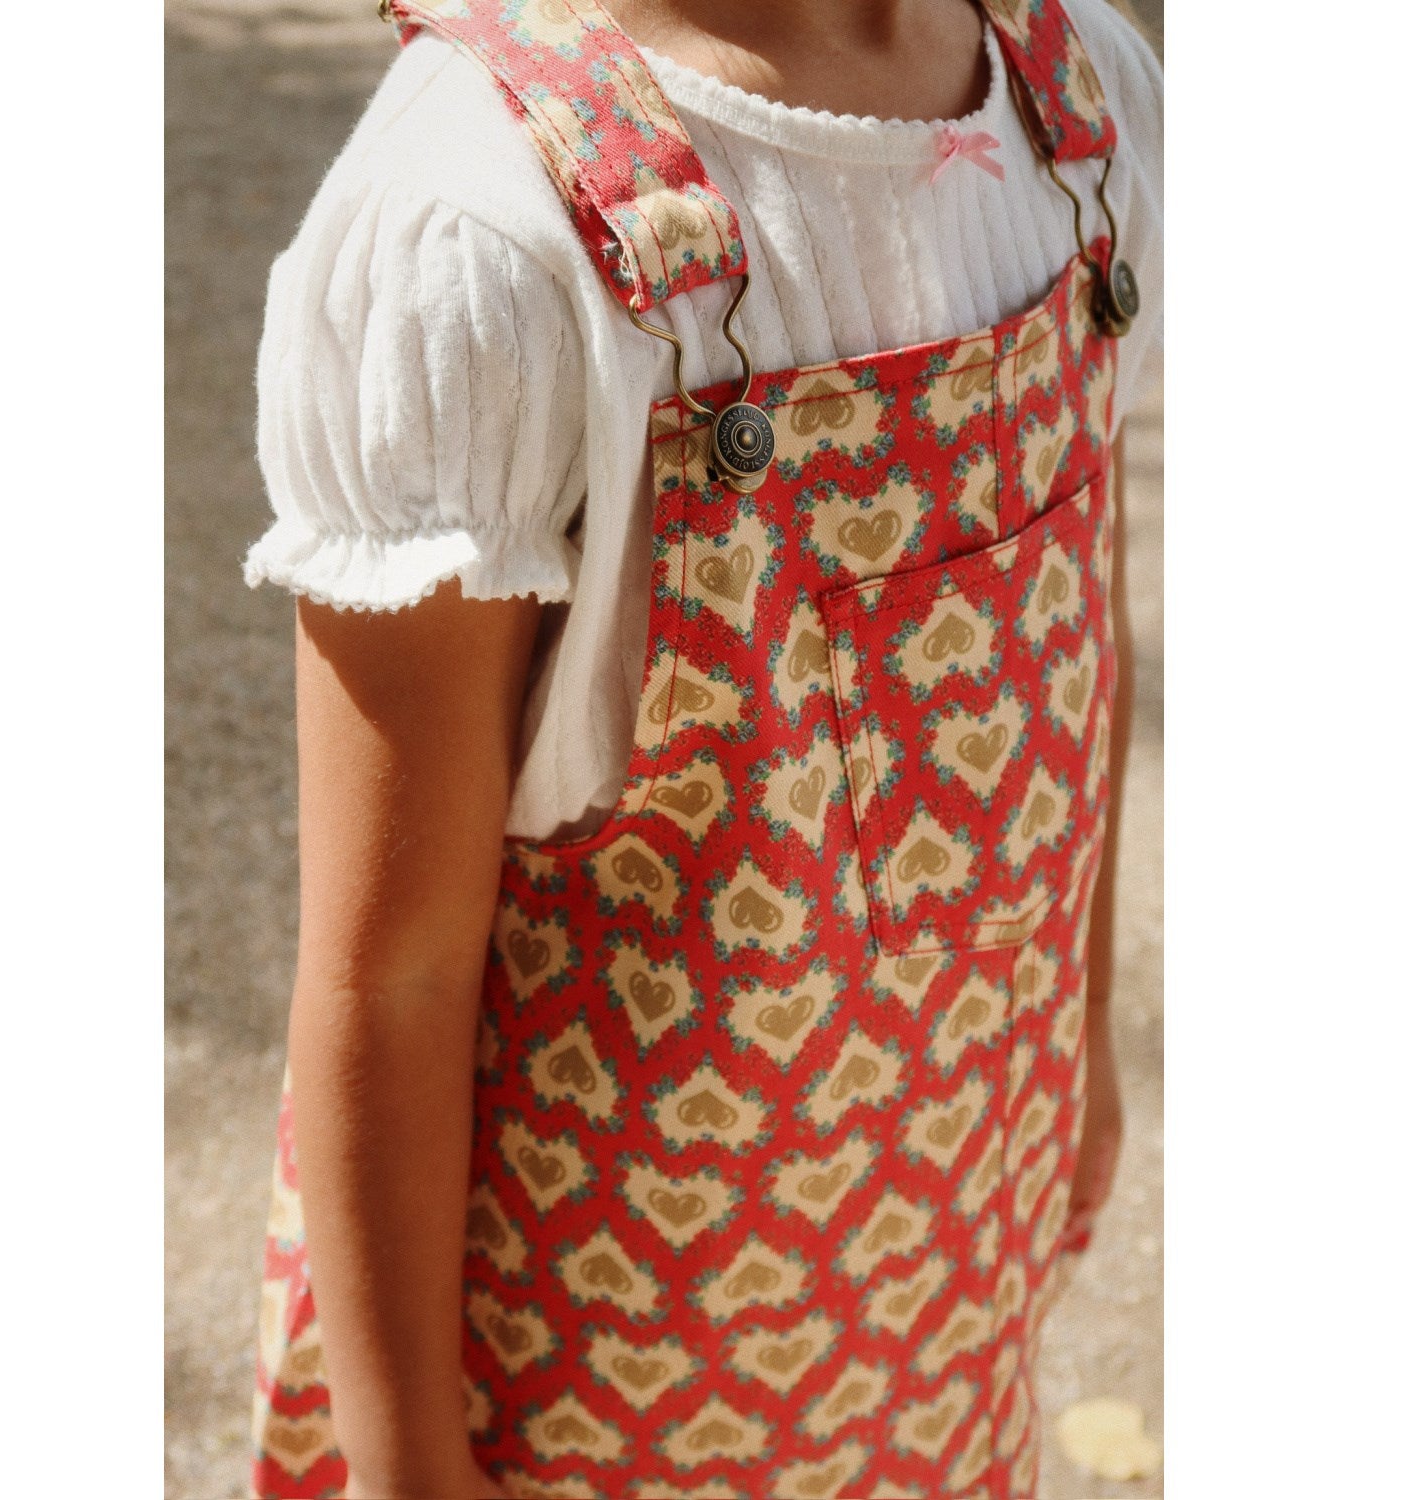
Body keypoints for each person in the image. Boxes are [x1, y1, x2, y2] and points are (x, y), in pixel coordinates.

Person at [241, 0, 1163, 1495]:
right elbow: (390, 970)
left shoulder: (1074, 105)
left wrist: (1087, 1026)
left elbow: (1079, 631)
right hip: (601, 1373)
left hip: (951, 1249)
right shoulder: (482, 225)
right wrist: (410, 1464)